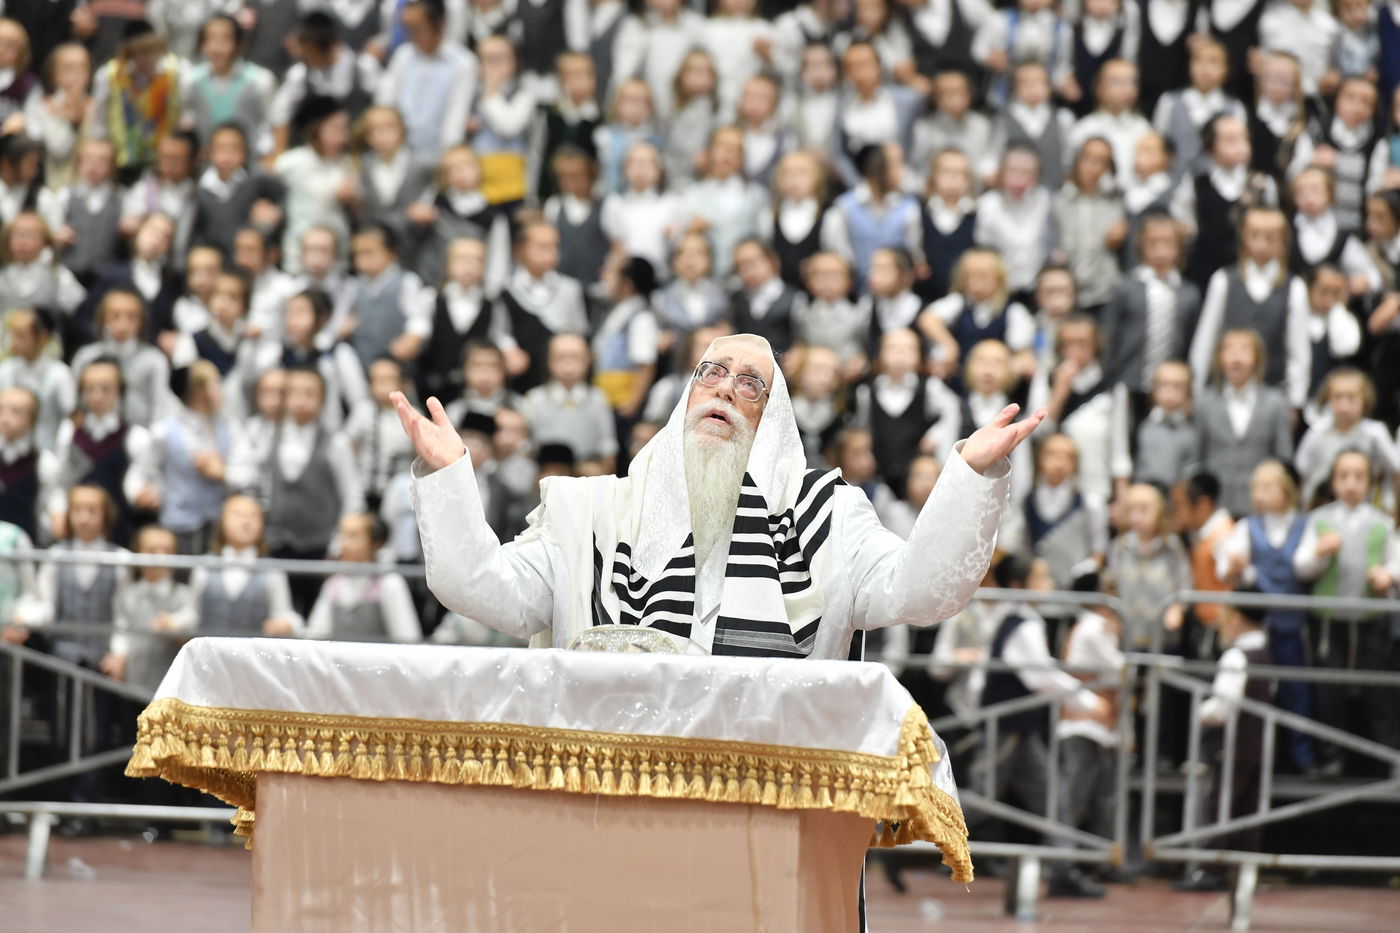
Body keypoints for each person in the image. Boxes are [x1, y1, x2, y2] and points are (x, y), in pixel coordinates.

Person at [395, 332, 1040, 660]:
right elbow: (481, 591)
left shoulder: (827, 519)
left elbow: (923, 592)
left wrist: (969, 479)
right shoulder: (588, 513)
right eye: (713, 373)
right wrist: (450, 476)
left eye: (752, 385)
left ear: (773, 423)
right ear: (685, 400)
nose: (726, 389)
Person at [975, 553, 1108, 898]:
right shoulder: (1023, 625)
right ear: (1018, 586)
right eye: (1040, 578)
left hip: (1020, 731)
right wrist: (1088, 703)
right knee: (976, 801)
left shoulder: (1021, 621)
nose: (1048, 584)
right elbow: (1042, 677)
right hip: (1006, 730)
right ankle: (911, 837)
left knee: (1053, 800)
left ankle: (1063, 869)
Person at [1175, 593, 1273, 893]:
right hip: (1258, 744)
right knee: (1247, 807)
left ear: (1237, 618)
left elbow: (1222, 706)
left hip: (1233, 743)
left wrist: (1199, 712)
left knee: (1222, 804)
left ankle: (1213, 869)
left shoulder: (1236, 656)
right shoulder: (1266, 655)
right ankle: (1244, 868)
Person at [303, 513, 422, 642]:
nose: (344, 544)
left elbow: (408, 639)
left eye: (353, 536)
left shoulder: (390, 583)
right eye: (342, 535)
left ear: (375, 543)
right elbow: (316, 634)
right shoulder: (333, 584)